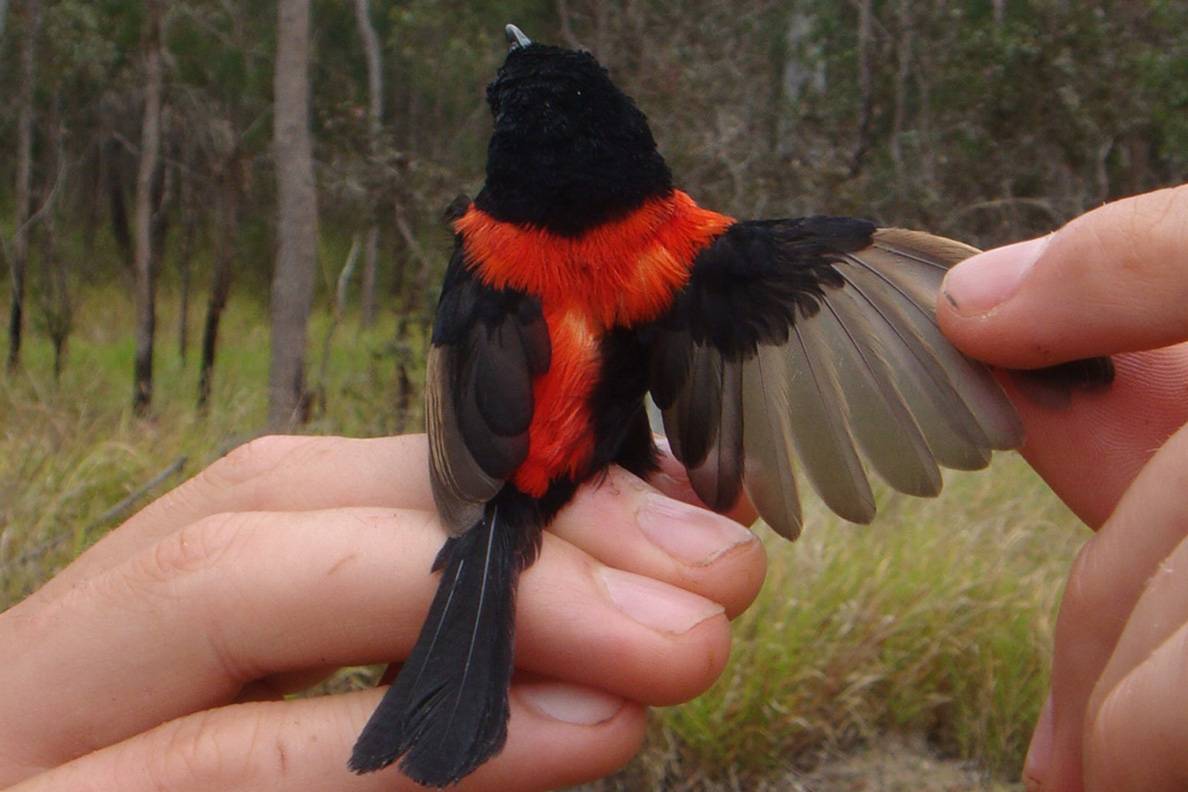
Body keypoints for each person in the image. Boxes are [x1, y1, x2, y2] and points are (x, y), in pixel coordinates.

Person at [1, 185, 1183, 791]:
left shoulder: (492, 252)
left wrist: (479, 493)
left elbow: (464, 410)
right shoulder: (693, 250)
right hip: (582, 480)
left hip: (510, 499)